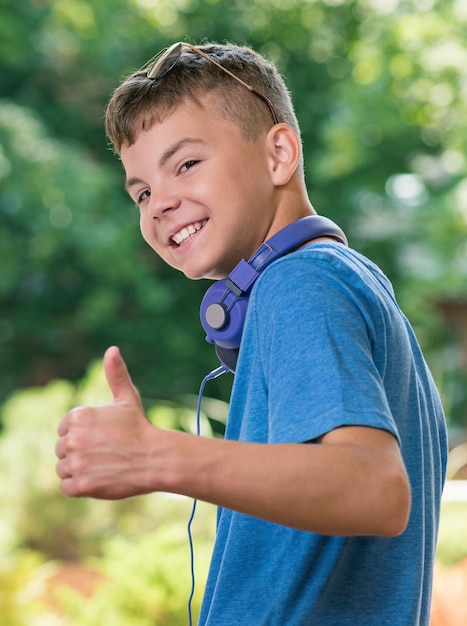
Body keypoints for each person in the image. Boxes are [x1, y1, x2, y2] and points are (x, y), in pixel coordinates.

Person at [55, 41, 448, 625]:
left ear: (279, 154)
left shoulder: (298, 285)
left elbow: (376, 490)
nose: (158, 203)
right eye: (140, 191)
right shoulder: (346, 282)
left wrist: (154, 457)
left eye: (185, 163)